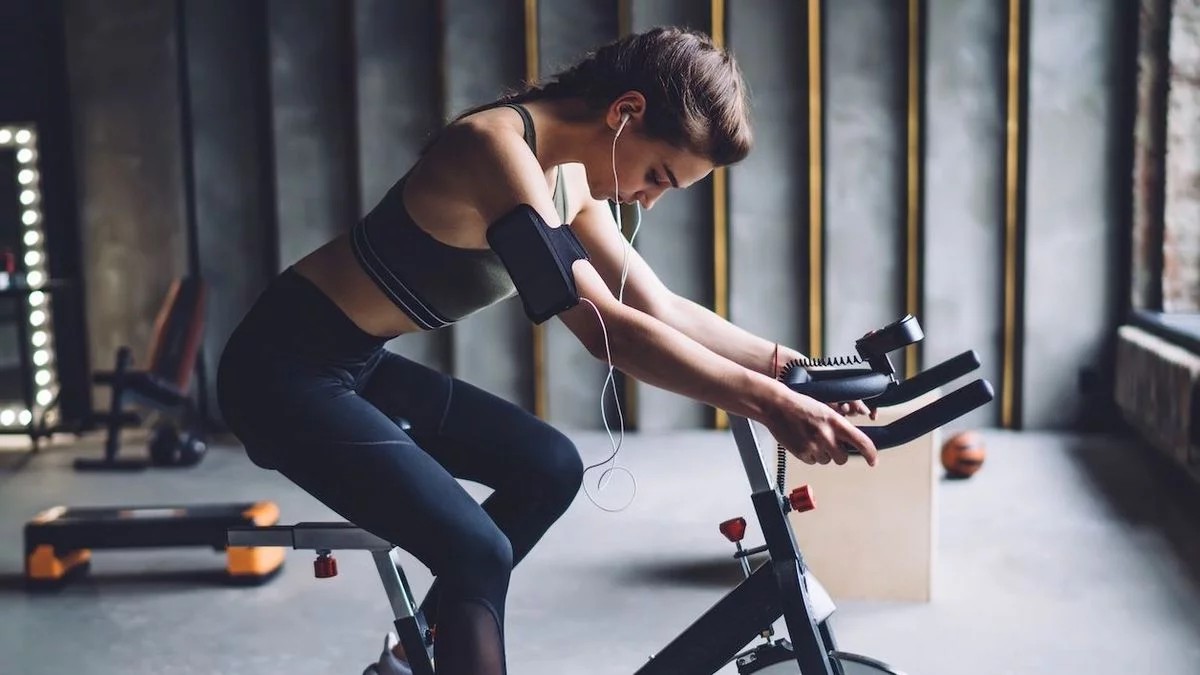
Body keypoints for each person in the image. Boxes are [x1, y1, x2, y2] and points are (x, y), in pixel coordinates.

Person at [216, 26, 878, 675]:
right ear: (626, 112)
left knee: (550, 466)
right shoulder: (493, 149)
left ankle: (404, 660)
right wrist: (769, 403)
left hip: (355, 363)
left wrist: (799, 372)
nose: (648, 197)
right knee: (475, 551)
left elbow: (661, 306)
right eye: (657, 175)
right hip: (281, 373)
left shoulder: (569, 176)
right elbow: (603, 327)